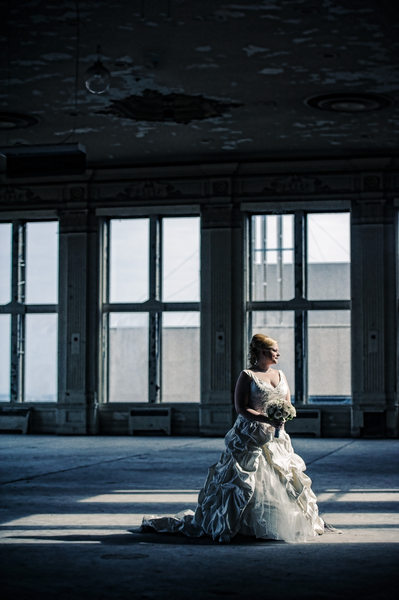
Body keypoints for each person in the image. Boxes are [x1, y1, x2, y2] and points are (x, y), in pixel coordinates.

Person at [140, 333, 327, 543]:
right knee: (244, 479)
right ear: (261, 352)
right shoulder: (247, 375)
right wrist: (267, 418)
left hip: (277, 436)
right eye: (274, 350)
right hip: (249, 434)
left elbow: (288, 404)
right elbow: (241, 408)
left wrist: (283, 416)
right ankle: (241, 523)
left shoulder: (281, 375)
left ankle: (272, 522)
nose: (278, 353)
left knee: (280, 478)